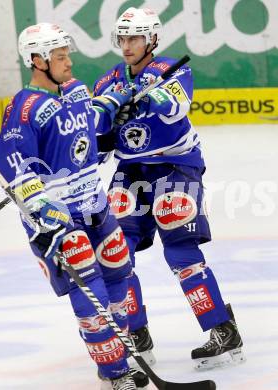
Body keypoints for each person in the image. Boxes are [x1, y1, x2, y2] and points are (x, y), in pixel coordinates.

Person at [0, 22, 150, 390]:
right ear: (37, 60)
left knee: (119, 277)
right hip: (60, 217)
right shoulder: (24, 107)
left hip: (96, 206)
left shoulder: (76, 91)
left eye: (67, 55)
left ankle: (121, 356)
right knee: (89, 290)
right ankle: (114, 373)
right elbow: (10, 158)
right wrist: (39, 203)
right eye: (60, 57)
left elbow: (91, 124)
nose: (68, 63)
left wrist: (113, 107)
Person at [93, 7, 245, 370]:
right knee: (115, 252)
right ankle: (135, 333)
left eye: (135, 38)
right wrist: (109, 122)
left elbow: (175, 106)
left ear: (152, 40)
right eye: (124, 38)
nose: (127, 45)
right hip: (131, 170)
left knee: (179, 247)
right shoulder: (105, 83)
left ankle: (222, 330)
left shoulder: (173, 70)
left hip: (176, 163)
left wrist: (140, 96)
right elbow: (99, 141)